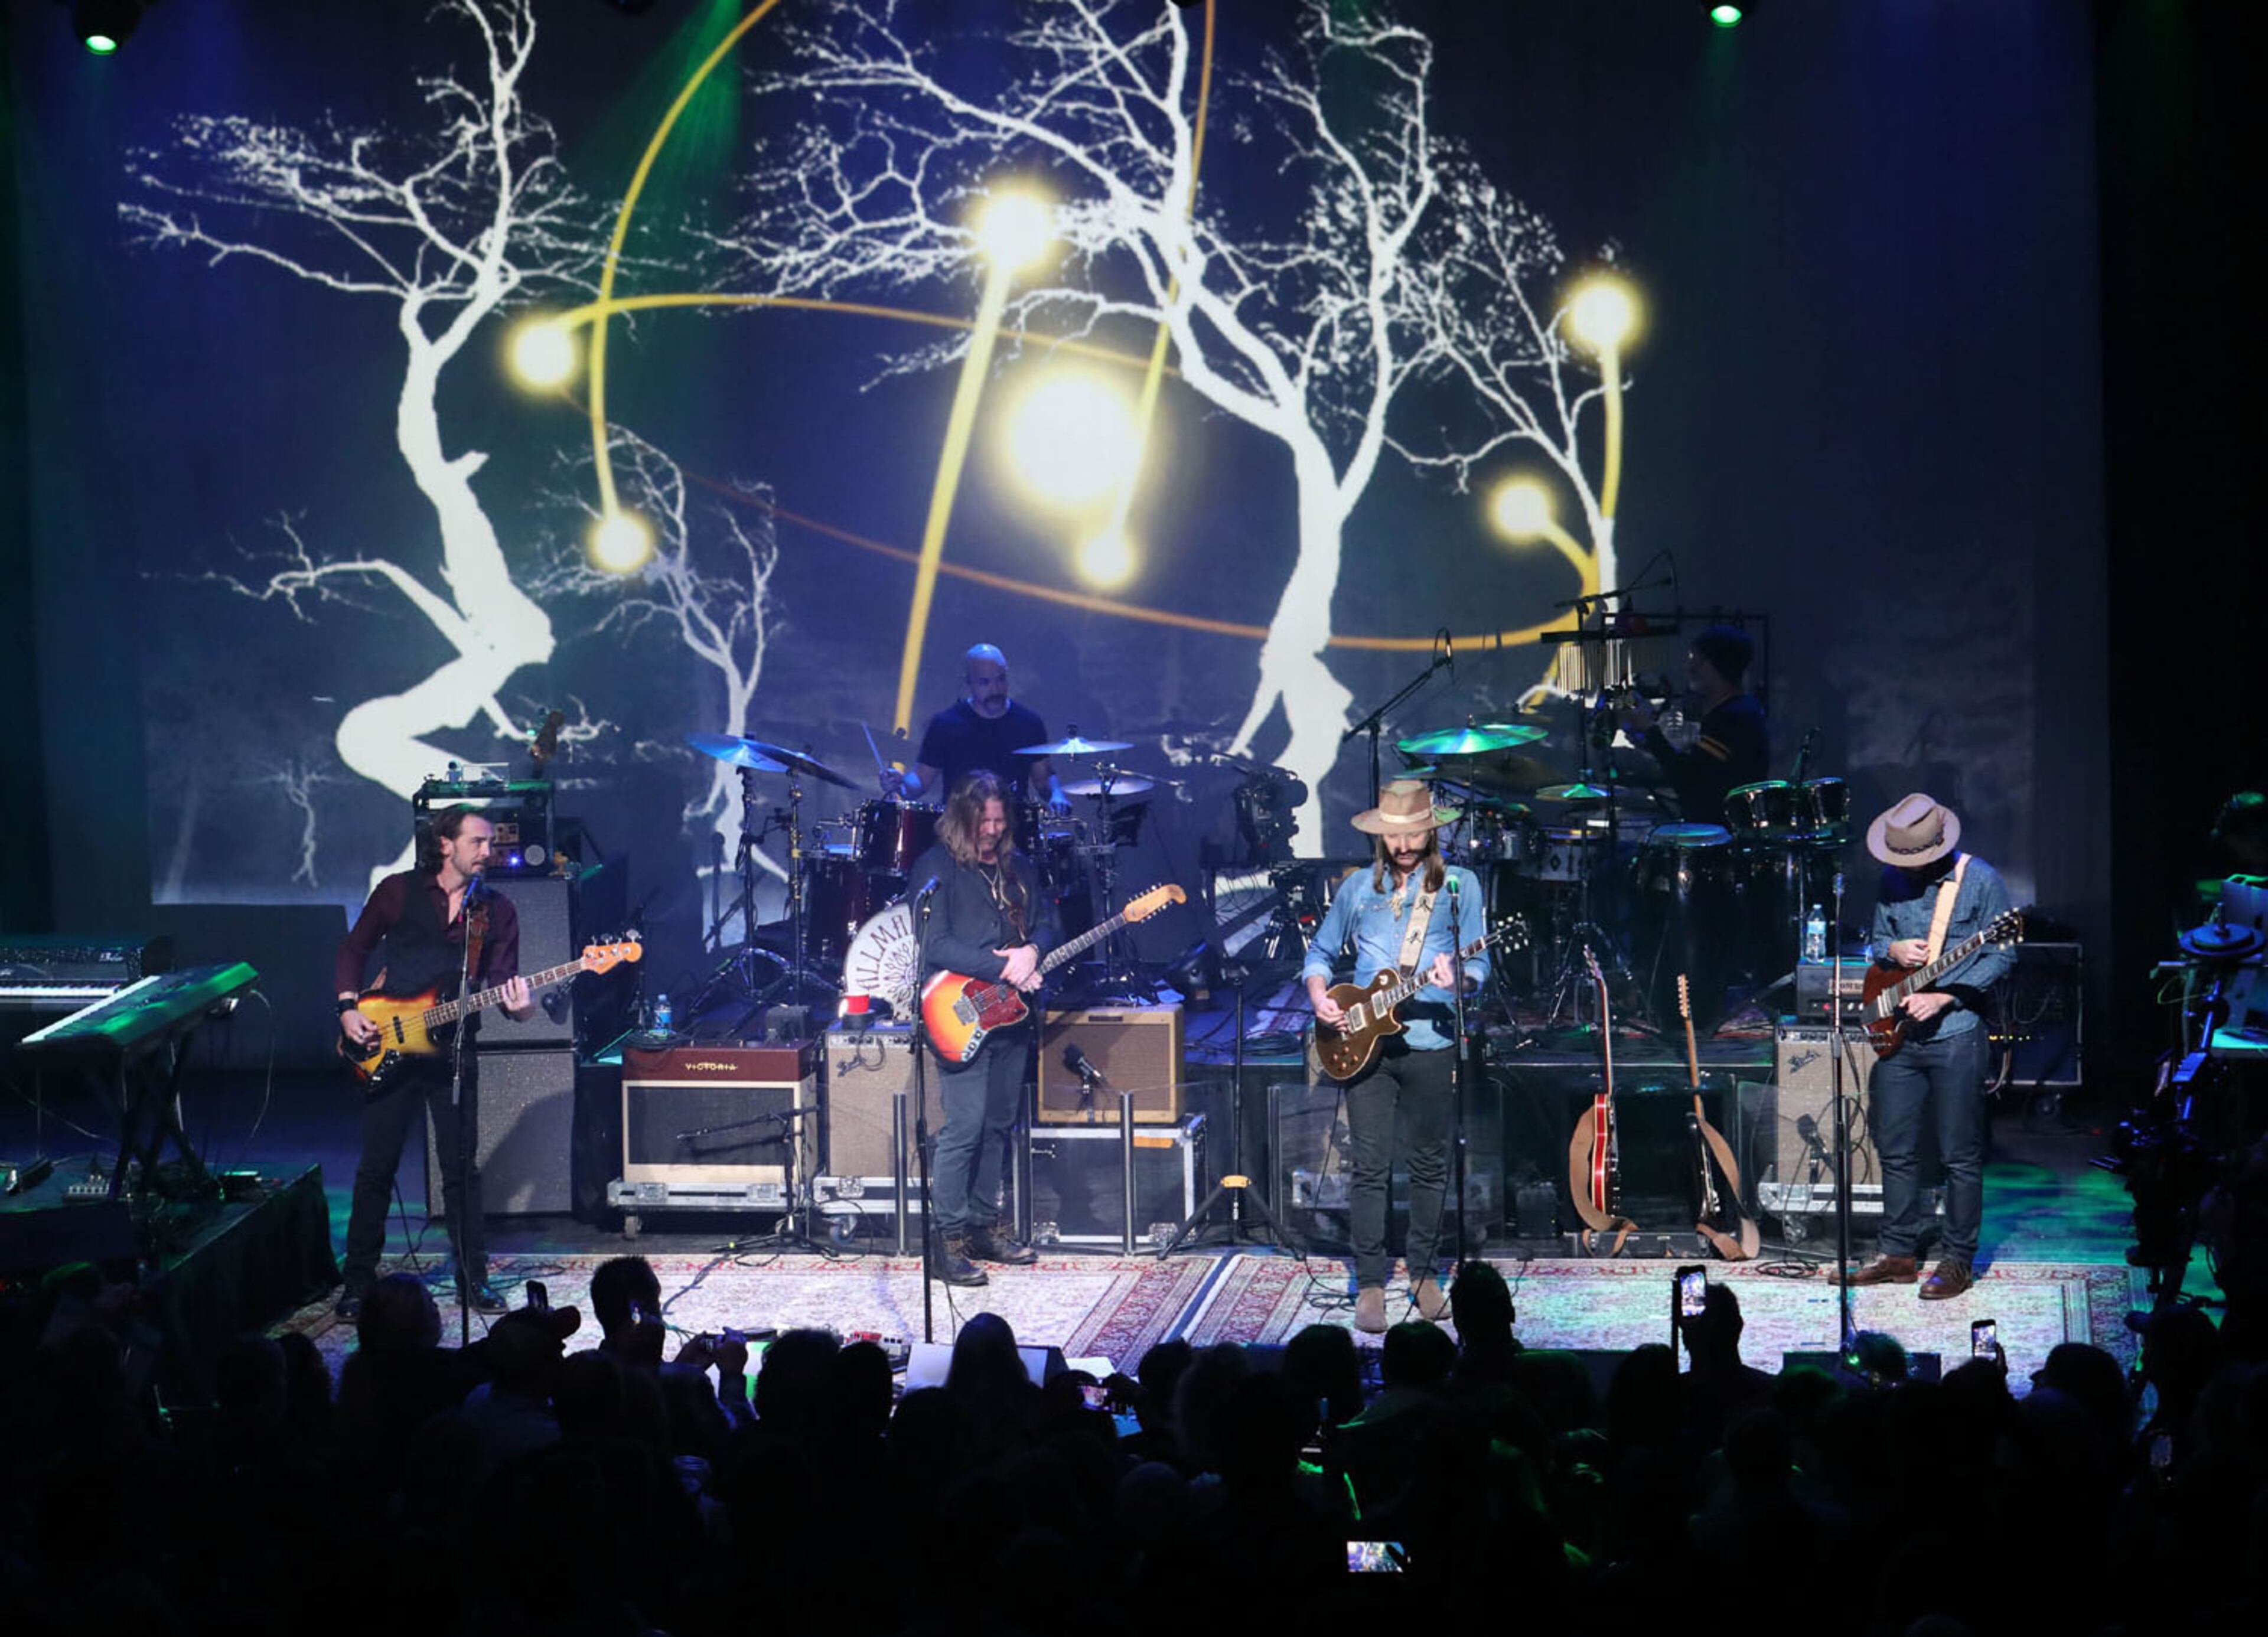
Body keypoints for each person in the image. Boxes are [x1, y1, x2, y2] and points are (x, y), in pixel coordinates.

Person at [1302, 780, 1491, 1333]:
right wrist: (1320, 1000)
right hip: (1363, 1045)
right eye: (1394, 836)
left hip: (1431, 1044)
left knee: (1430, 1165)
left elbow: (1479, 970)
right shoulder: (1358, 888)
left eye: (1414, 834)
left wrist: (1461, 978)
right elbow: (1319, 952)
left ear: (1431, 831)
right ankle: (1369, 1282)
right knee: (1369, 1167)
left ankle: (1426, 1273)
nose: (1404, 845)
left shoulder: (1461, 887)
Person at [333, 806, 533, 1319]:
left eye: (492, 844)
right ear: (446, 843)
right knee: (377, 1169)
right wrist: (348, 1008)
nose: (490, 852)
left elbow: (502, 986)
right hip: (391, 1041)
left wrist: (519, 1005)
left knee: (461, 1172)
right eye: (479, 842)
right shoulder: (399, 891)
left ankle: (474, 1280)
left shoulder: (497, 910)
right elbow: (353, 950)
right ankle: (357, 1285)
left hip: (455, 1052)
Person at [1833, 792, 2015, 1300]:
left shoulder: (1980, 881)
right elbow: (1876, 943)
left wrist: (1946, 998)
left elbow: (2002, 956)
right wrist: (1890, 948)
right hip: (1899, 1038)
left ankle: (1958, 1260)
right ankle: (1897, 1253)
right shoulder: (1891, 882)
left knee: (1960, 1155)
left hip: (1956, 1036)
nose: (1904, 868)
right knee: (1895, 1150)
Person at [910, 769, 1060, 1286]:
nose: (992, 831)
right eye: (984, 822)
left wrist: (1033, 951)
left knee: (997, 1125)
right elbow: (936, 946)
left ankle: (980, 1226)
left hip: (1011, 1014)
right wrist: (1001, 965)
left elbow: (1048, 923)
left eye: (999, 821)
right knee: (965, 1128)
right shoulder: (936, 870)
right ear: (962, 819)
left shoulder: (1020, 869)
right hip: (960, 1012)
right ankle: (946, 1239)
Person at [883, 643, 1071, 813]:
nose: (996, 689)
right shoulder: (945, 725)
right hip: (959, 832)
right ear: (968, 683)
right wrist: (901, 783)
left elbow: (1043, 778)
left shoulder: (1029, 724)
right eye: (985, 682)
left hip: (1012, 832)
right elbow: (921, 781)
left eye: (1001, 679)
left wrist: (1057, 794)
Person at [1617, 622, 1769, 827]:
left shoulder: (1732, 718)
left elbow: (1687, 780)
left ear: (1713, 664)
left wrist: (1649, 730)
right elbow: (1699, 769)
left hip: (1719, 838)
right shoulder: (1737, 711)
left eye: (1695, 659)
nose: (1689, 668)